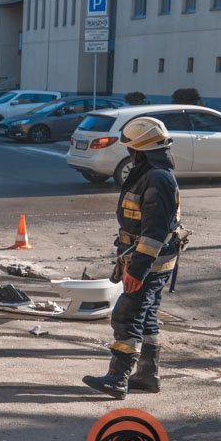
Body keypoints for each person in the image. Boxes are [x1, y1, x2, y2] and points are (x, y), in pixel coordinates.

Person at [83, 117, 182, 398]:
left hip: (149, 262)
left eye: (131, 148)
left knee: (127, 315)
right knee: (147, 316)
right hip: (150, 260)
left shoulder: (157, 178)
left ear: (140, 150)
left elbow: (154, 231)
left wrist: (137, 270)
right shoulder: (149, 173)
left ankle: (117, 378)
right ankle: (148, 376)